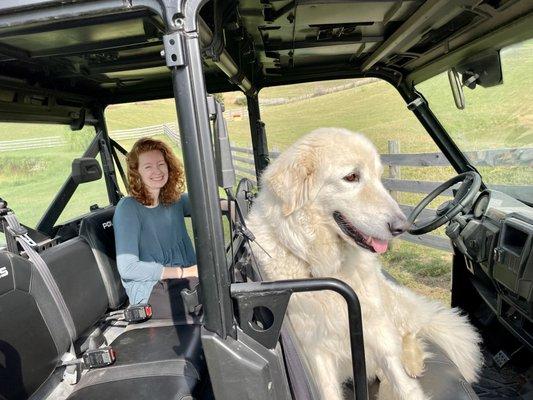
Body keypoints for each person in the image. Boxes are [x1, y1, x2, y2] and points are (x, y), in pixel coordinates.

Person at [113, 137, 199, 320]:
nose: (157, 171)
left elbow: (204, 203)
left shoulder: (172, 200)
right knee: (210, 299)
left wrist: (230, 206)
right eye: (148, 167)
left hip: (183, 280)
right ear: (137, 173)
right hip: (150, 290)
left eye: (161, 164)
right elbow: (128, 268)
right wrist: (184, 272)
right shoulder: (128, 208)